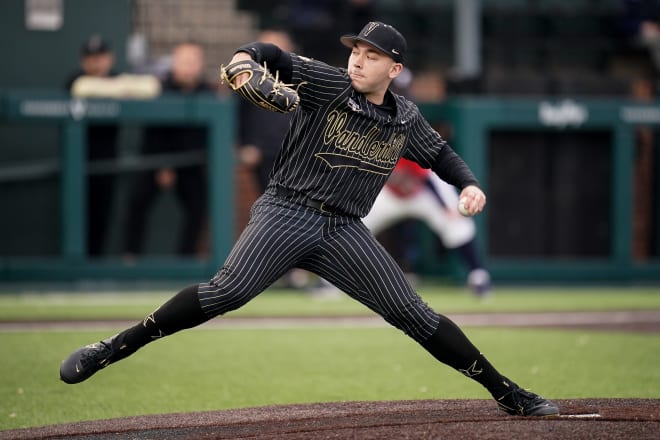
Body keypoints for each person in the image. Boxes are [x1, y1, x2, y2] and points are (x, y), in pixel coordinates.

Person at [59, 22, 559, 417]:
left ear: (394, 68)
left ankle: (507, 392)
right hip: (287, 210)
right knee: (225, 293)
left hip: (343, 229)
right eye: (355, 51)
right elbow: (269, 56)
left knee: (415, 314)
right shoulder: (328, 83)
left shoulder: (405, 116)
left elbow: (440, 154)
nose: (358, 61)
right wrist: (242, 59)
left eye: (371, 55)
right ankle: (114, 347)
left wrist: (469, 184)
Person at [122, 42, 212, 258]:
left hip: (190, 164)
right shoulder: (159, 88)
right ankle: (130, 257)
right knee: (137, 202)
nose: (188, 67)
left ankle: (185, 259)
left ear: (201, 65)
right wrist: (163, 166)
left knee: (198, 207)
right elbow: (153, 133)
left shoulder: (207, 92)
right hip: (155, 160)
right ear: (174, 63)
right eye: (184, 62)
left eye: (193, 62)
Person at [363, 157, 492, 297]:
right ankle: (336, 279)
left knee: (456, 223)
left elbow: (432, 179)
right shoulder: (376, 147)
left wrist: (447, 205)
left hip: (420, 194)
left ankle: (478, 275)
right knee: (352, 224)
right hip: (389, 195)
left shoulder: (412, 144)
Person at [65, 35, 119, 256]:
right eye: (91, 58)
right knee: (76, 215)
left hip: (107, 160)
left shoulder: (117, 81)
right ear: (83, 61)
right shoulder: (75, 81)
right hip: (77, 161)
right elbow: (80, 88)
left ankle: (96, 263)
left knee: (102, 214)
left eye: (101, 57)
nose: (97, 63)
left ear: (110, 59)